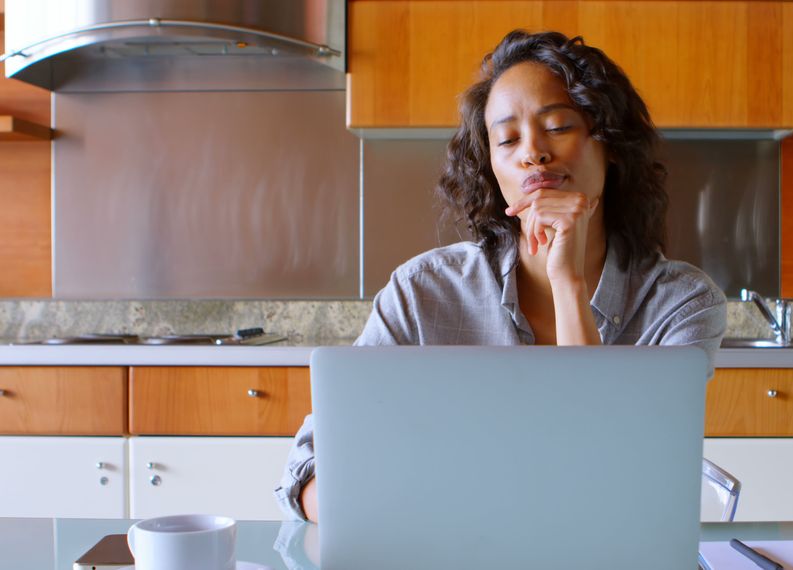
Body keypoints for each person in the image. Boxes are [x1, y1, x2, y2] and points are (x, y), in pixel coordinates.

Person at [275, 30, 726, 523]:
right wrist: (406, 514)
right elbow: (307, 469)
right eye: (507, 139)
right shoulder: (423, 291)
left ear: (611, 144)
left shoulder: (683, 304)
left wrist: (568, 284)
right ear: (492, 166)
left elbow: (608, 478)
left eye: (557, 126)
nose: (532, 153)